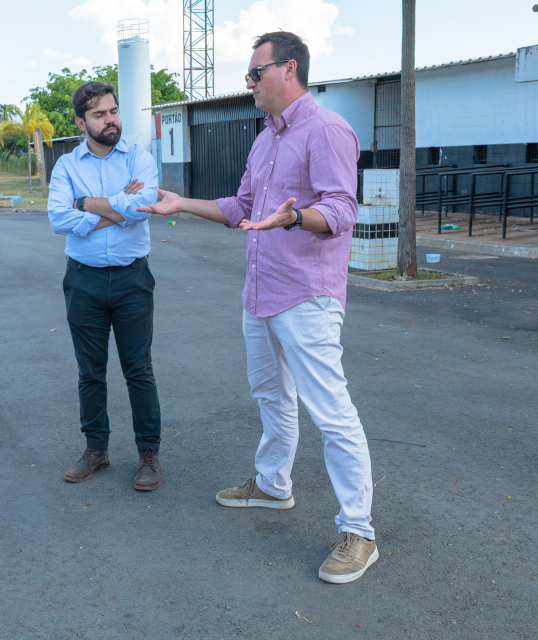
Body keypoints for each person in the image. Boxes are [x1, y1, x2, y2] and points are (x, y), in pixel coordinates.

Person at [137, 31, 378, 584]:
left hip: (307, 294)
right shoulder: (265, 139)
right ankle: (273, 486)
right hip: (261, 292)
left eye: (255, 73)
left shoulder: (327, 129)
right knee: (271, 395)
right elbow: (241, 207)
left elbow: (342, 210)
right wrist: (182, 203)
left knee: (331, 413)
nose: (248, 83)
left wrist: (294, 218)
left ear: (287, 69)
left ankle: (359, 531)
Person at [48, 81, 164, 491]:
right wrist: (119, 205)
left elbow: (145, 205)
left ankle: (148, 454)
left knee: (139, 369)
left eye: (113, 111)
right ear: (82, 122)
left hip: (133, 278)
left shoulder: (139, 158)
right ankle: (96, 449)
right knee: (90, 372)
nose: (110, 120)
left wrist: (86, 203)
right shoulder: (66, 166)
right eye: (99, 114)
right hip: (83, 280)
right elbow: (58, 219)